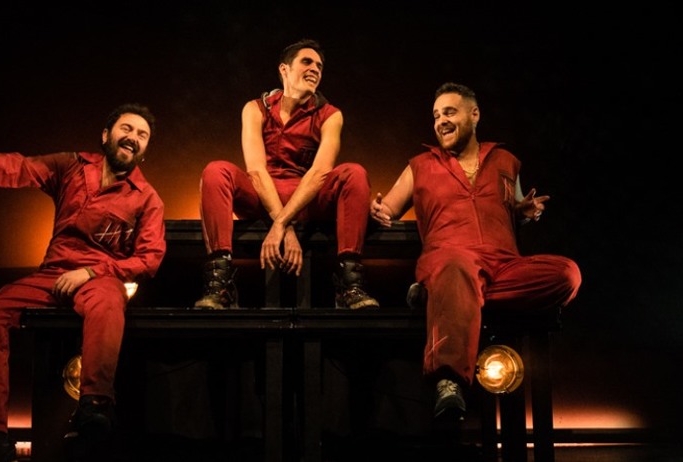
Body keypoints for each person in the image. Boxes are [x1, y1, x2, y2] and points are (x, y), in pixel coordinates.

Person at [0, 103, 166, 462]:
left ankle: (94, 407)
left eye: (142, 135)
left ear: (145, 148)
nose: (133, 138)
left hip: (99, 277)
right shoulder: (72, 166)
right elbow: (22, 167)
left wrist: (92, 272)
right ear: (106, 135)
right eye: (127, 129)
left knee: (108, 300)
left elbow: (149, 258)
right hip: (52, 274)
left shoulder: (146, 198)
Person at [370, 82, 581, 424]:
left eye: (449, 112)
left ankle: (441, 296)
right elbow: (387, 209)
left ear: (474, 114)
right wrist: (377, 210)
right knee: (456, 268)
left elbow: (514, 208)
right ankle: (449, 380)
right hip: (451, 258)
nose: (440, 121)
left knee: (567, 274)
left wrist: (523, 213)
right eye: (436, 115)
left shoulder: (505, 161)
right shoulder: (420, 165)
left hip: (503, 265)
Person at [195, 38, 379, 310]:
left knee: (354, 173)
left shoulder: (330, 115)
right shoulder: (255, 108)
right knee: (215, 171)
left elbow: (320, 173)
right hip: (262, 197)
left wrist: (281, 224)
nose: (315, 69)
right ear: (284, 69)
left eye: (319, 65)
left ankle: (350, 285)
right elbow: (256, 171)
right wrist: (286, 227)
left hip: (306, 200)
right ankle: (220, 284)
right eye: (307, 62)